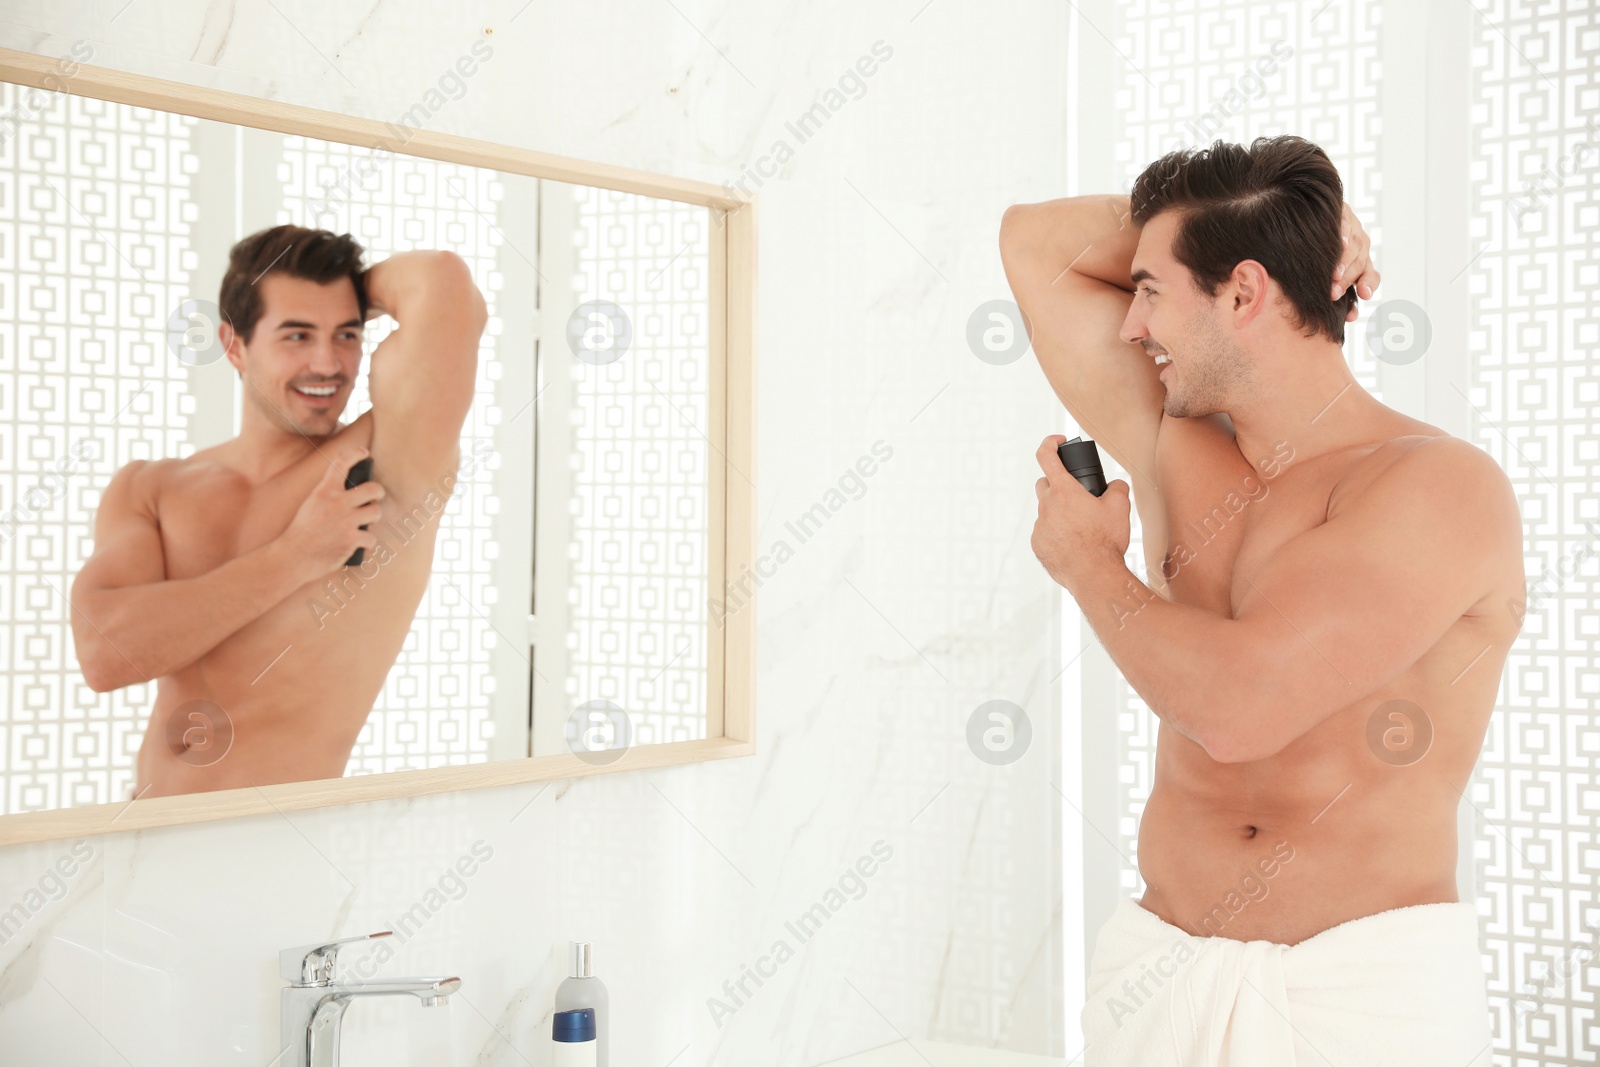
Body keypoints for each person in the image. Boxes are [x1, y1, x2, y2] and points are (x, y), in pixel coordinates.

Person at [1002, 135, 1522, 1065]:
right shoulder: (1180, 444)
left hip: (1361, 1000)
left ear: (1243, 293)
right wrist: (1299, 228)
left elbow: (1241, 711)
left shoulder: (1441, 486)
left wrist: (1088, 564)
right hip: (1162, 975)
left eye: (1151, 290)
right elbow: (1032, 244)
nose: (1130, 322)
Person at [69, 225, 487, 798]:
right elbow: (103, 656)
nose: (328, 363)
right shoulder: (151, 487)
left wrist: (341, 287)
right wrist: (296, 555)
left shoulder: (387, 460)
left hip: (280, 848)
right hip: (141, 836)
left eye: (346, 332)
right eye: (297, 334)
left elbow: (443, 282)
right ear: (234, 343)